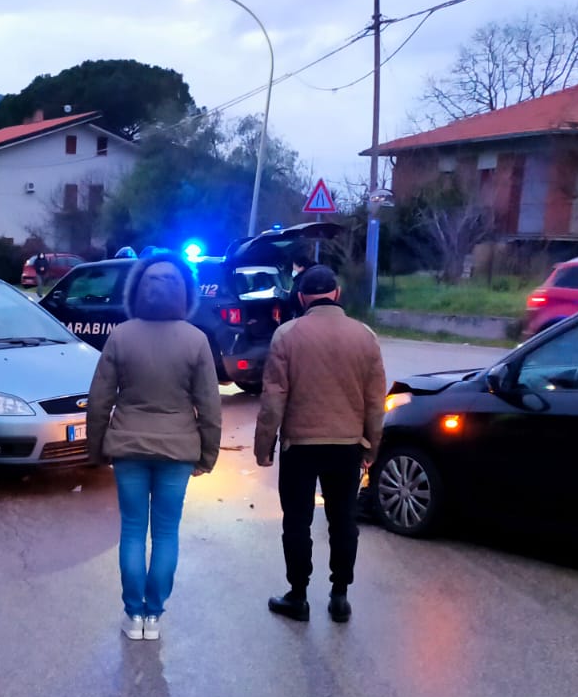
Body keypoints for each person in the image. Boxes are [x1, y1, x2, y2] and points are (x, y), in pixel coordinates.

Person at [85, 256, 222, 641]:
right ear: (185, 293)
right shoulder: (196, 340)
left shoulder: (121, 336)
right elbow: (210, 405)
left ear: (137, 290)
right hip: (178, 452)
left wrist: (97, 450)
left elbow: (99, 400)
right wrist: (207, 455)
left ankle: (133, 616)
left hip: (127, 447)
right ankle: (154, 617)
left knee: (131, 531)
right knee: (165, 533)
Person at [254, 265, 386, 624]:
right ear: (338, 294)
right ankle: (340, 595)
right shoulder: (365, 337)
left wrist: (264, 446)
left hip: (300, 445)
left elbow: (273, 398)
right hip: (346, 446)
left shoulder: (287, 336)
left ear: (300, 298)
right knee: (343, 521)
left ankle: (298, 596)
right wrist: (372, 447)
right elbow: (376, 401)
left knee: (296, 521)